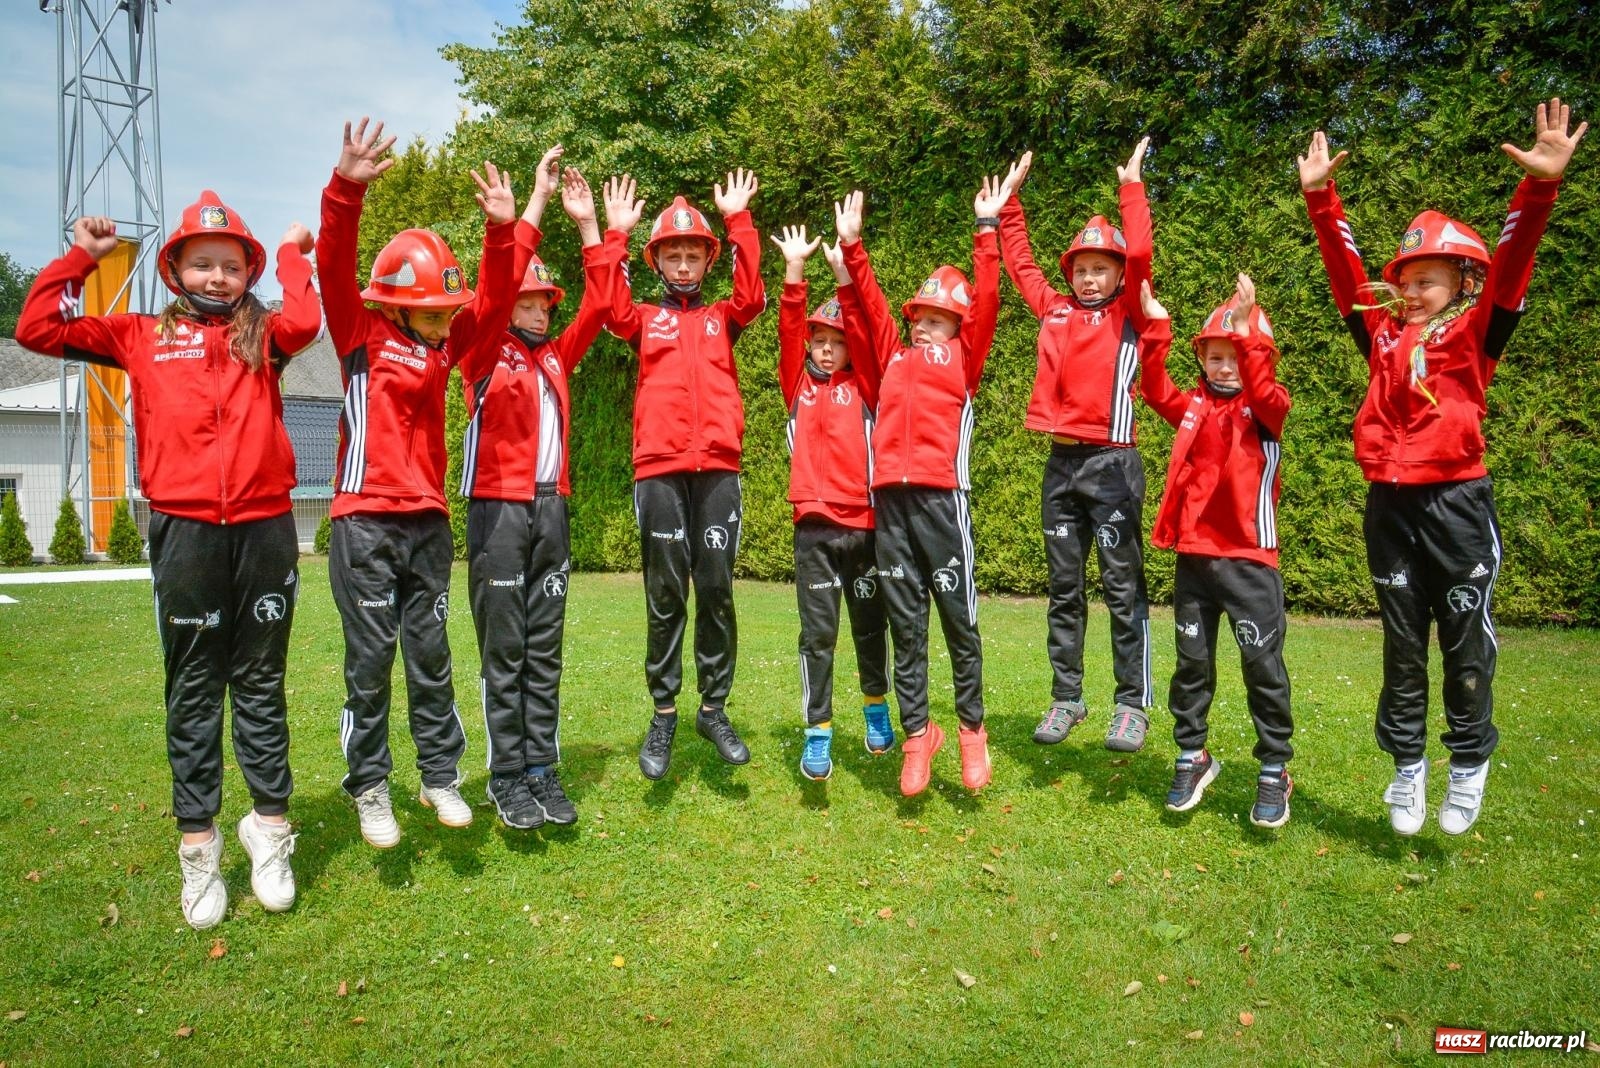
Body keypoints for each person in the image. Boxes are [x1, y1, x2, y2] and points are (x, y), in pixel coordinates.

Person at [16, 192, 320, 928]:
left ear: (248, 271)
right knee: (192, 688)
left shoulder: (265, 336)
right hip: (184, 531)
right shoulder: (138, 334)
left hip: (265, 529)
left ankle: (270, 830)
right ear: (176, 267)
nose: (217, 277)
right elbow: (34, 327)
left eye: (231, 265)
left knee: (259, 682)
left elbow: (308, 319)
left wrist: (290, 252)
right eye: (202, 263)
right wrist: (82, 258)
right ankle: (200, 847)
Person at [1298, 98, 1586, 835]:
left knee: (1463, 646)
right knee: (1402, 647)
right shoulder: (1381, 335)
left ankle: (1468, 764)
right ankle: (1407, 769)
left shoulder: (1476, 333)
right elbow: (1345, 269)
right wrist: (1320, 199)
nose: (1413, 289)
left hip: (1456, 506)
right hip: (1388, 509)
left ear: (1462, 281)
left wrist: (1542, 186)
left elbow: (1514, 263)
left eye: (1431, 278)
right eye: (1407, 277)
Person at [317, 117, 518, 846]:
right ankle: (369, 786)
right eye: (432, 313)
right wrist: (346, 190)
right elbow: (333, 265)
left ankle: (439, 777)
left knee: (431, 659)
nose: (443, 326)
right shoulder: (358, 335)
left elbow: (492, 309)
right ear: (396, 303)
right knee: (370, 665)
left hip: (428, 525)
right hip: (364, 525)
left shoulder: (444, 349)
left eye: (447, 314)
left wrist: (502, 234)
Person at [833, 172, 1011, 797]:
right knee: (904, 626)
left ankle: (970, 732)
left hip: (942, 501)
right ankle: (917, 737)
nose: (923, 327)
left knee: (958, 620)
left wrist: (987, 229)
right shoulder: (893, 357)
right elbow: (873, 309)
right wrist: (853, 250)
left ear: (958, 328)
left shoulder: (966, 358)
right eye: (921, 318)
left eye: (937, 320)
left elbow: (987, 301)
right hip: (890, 503)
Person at [462, 146, 621, 830]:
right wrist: (528, 207)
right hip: (497, 512)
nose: (534, 309)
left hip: (551, 510)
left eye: (541, 300)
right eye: (523, 298)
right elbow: (492, 285)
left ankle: (540, 768)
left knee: (544, 646)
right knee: (505, 647)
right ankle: (504, 775)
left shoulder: (557, 353)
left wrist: (591, 228)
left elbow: (605, 304)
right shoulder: (477, 346)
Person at [604, 171, 767, 780]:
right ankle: (665, 711)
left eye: (691, 252)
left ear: (706, 259)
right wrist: (615, 234)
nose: (681, 262)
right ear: (657, 261)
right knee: (667, 592)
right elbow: (609, 309)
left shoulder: (724, 316)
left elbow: (753, 297)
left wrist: (738, 220)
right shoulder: (645, 317)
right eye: (671, 253)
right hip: (660, 470)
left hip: (719, 468)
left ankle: (714, 708)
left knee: (718, 590)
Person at [996, 144, 1156, 753]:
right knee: (1064, 589)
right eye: (1082, 268)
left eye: (1101, 268)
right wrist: (1009, 203)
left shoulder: (1130, 311)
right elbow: (1020, 265)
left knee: (1122, 589)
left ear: (1117, 274)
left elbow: (1140, 251)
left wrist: (1131, 190)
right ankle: (1067, 697)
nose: (1090, 277)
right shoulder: (1055, 307)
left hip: (1113, 464)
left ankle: (1131, 706)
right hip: (1060, 464)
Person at [1138, 275, 1295, 827]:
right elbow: (1155, 387)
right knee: (1191, 666)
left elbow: (1266, 389)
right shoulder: (1194, 407)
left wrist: (1249, 331)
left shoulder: (1269, 409)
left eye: (1236, 356)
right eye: (1214, 355)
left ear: (1255, 356)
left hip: (1250, 562)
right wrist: (1156, 325)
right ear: (1202, 357)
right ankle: (1192, 755)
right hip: (1195, 562)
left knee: (1263, 669)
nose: (1225, 366)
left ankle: (1275, 768)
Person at [769, 223, 892, 781]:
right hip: (813, 533)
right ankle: (817, 732)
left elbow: (866, 334)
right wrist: (795, 269)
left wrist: (845, 274)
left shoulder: (866, 385)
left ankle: (875, 711)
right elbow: (788, 329)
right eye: (820, 339)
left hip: (865, 530)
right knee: (817, 636)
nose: (825, 347)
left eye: (836, 340)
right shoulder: (796, 384)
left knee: (870, 628)